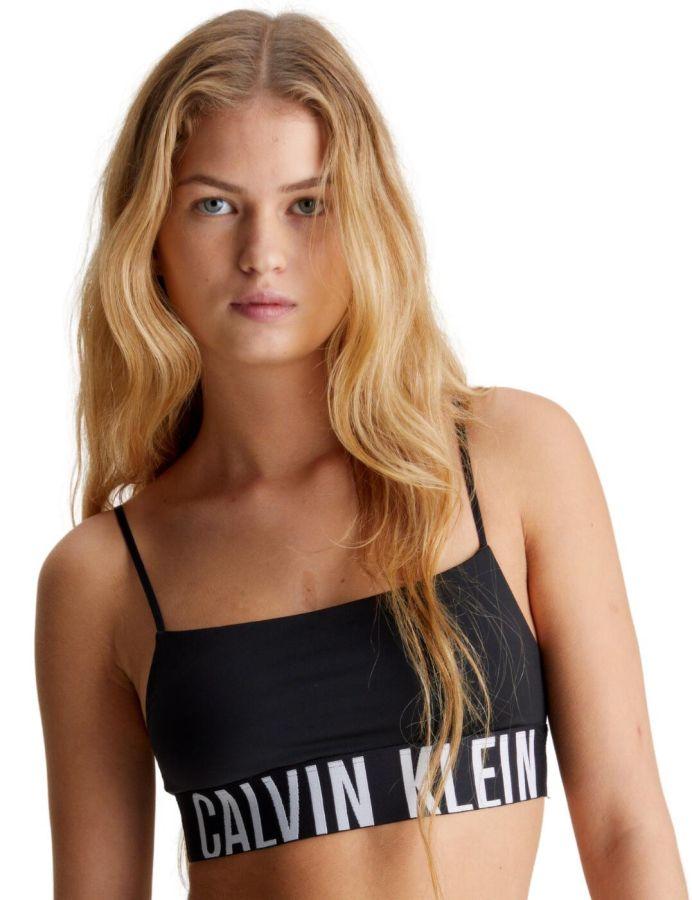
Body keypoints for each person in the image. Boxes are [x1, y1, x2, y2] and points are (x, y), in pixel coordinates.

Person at [34, 9, 686, 900]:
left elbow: (623, 827)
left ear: (366, 218)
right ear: (150, 235)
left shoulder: (515, 461)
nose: (263, 254)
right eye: (215, 205)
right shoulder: (104, 578)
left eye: (308, 204)